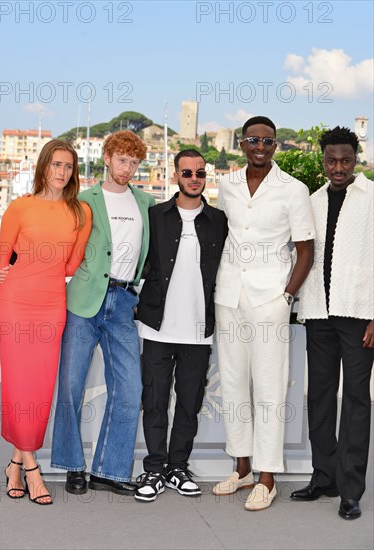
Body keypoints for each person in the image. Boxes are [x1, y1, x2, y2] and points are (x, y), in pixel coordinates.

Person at [212, 116, 315, 511]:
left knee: (270, 390)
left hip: (271, 299)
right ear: (242, 143)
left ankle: (268, 477)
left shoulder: (294, 190)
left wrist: (286, 297)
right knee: (234, 384)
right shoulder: (229, 184)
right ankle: (241, 468)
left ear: (276, 146)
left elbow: (305, 250)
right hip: (229, 296)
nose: (260, 146)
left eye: (267, 141)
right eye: (253, 140)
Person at [50, 130, 154, 496]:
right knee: (71, 387)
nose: (127, 168)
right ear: (107, 159)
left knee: (129, 388)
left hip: (124, 303)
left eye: (134, 162)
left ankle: (109, 470)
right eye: (121, 160)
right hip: (83, 301)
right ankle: (72, 466)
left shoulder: (146, 202)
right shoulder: (83, 200)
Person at [0, 140, 92, 505]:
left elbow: (71, 265)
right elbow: (2, 262)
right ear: (43, 167)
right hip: (17, 305)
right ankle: (33, 466)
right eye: (55, 165)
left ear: (74, 171)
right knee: (19, 387)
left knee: (39, 390)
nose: (62, 172)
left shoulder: (81, 212)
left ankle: (15, 464)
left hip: (52, 306)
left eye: (68, 166)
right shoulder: (20, 208)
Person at [134, 150, 228, 502]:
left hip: (198, 329)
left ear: (206, 177)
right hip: (157, 326)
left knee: (190, 402)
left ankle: (178, 467)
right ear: (175, 175)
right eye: (187, 172)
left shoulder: (218, 220)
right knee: (155, 401)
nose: (194, 177)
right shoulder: (155, 215)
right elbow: (139, 259)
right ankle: (155, 469)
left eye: (200, 173)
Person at [290, 126, 374, 520]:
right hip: (318, 311)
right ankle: (324, 476)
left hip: (359, 313)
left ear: (355, 159)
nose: (337, 167)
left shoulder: (372, 197)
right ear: (322, 160)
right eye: (330, 160)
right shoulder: (313, 200)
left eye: (345, 160)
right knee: (319, 397)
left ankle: (351, 488)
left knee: (357, 400)